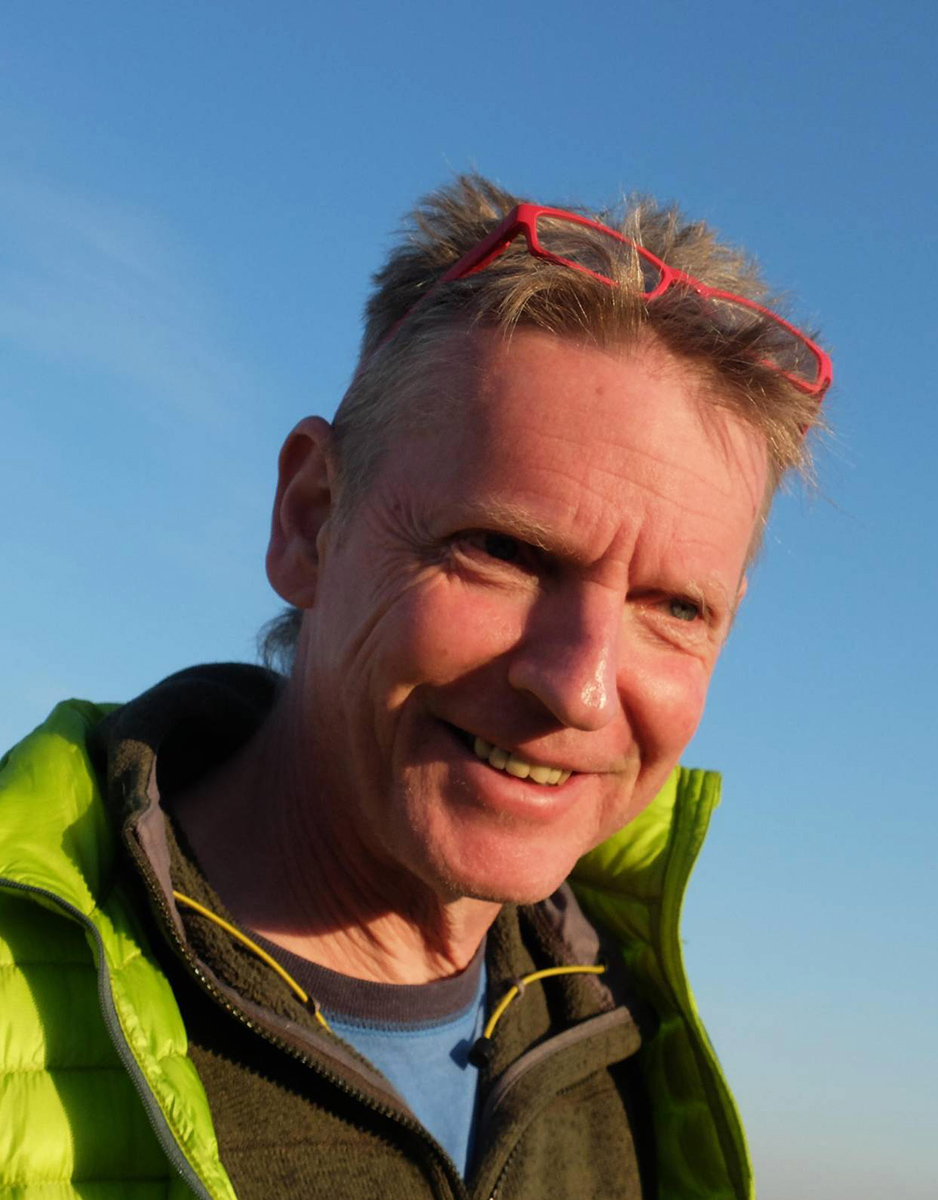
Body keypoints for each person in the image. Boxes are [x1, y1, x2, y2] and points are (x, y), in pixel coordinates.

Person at [0, 174, 830, 1199]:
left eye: (675, 608)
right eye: (501, 550)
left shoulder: (628, 1043)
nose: (580, 690)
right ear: (310, 519)